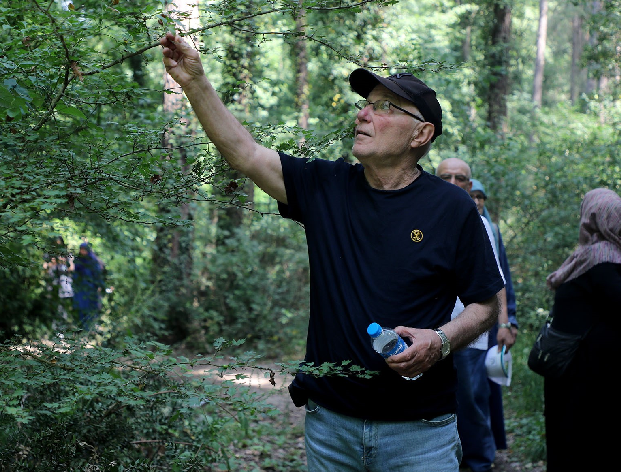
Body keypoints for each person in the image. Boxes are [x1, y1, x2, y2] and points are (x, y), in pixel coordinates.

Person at [160, 32, 504, 471]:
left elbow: (485, 304)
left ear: (422, 133)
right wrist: (194, 82)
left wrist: (440, 340)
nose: (363, 113)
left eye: (384, 107)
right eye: (365, 103)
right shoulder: (326, 186)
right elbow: (244, 153)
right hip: (330, 428)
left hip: (422, 433)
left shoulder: (453, 208)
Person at [436, 159, 514, 472]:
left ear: (470, 186)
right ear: (434, 179)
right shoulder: (420, 213)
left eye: (460, 178)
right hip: (425, 327)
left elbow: (497, 279)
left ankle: (479, 462)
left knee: (471, 400)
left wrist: (505, 321)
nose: (453, 182)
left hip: (471, 330)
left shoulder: (480, 223)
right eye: (446, 177)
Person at [543, 188, 621, 471]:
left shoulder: (584, 255)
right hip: (590, 373)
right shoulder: (604, 258)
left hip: (568, 369)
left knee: (568, 438)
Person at [469, 178, 517, 450]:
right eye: (472, 195)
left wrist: (508, 322)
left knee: (483, 389)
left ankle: (483, 451)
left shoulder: (493, 231)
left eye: (481, 196)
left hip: (486, 326)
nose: (476, 201)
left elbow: (503, 281)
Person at [72, 241, 106, 331]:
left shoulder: (93, 261)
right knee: (81, 307)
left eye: (84, 250)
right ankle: (82, 329)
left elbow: (97, 275)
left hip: (91, 288)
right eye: (81, 250)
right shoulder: (78, 260)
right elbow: (75, 274)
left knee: (90, 308)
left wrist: (98, 286)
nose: (83, 252)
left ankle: (90, 329)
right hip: (81, 288)